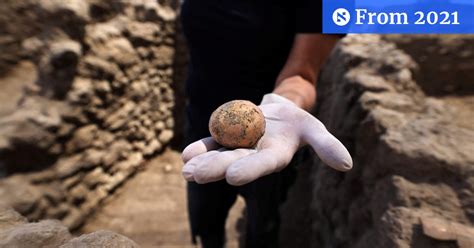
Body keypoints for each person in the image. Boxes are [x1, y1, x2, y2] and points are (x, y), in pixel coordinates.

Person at [179, 0, 353, 247]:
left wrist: (284, 103)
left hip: (269, 135)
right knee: (205, 219)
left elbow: (301, 75)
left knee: (262, 227)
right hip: (199, 126)